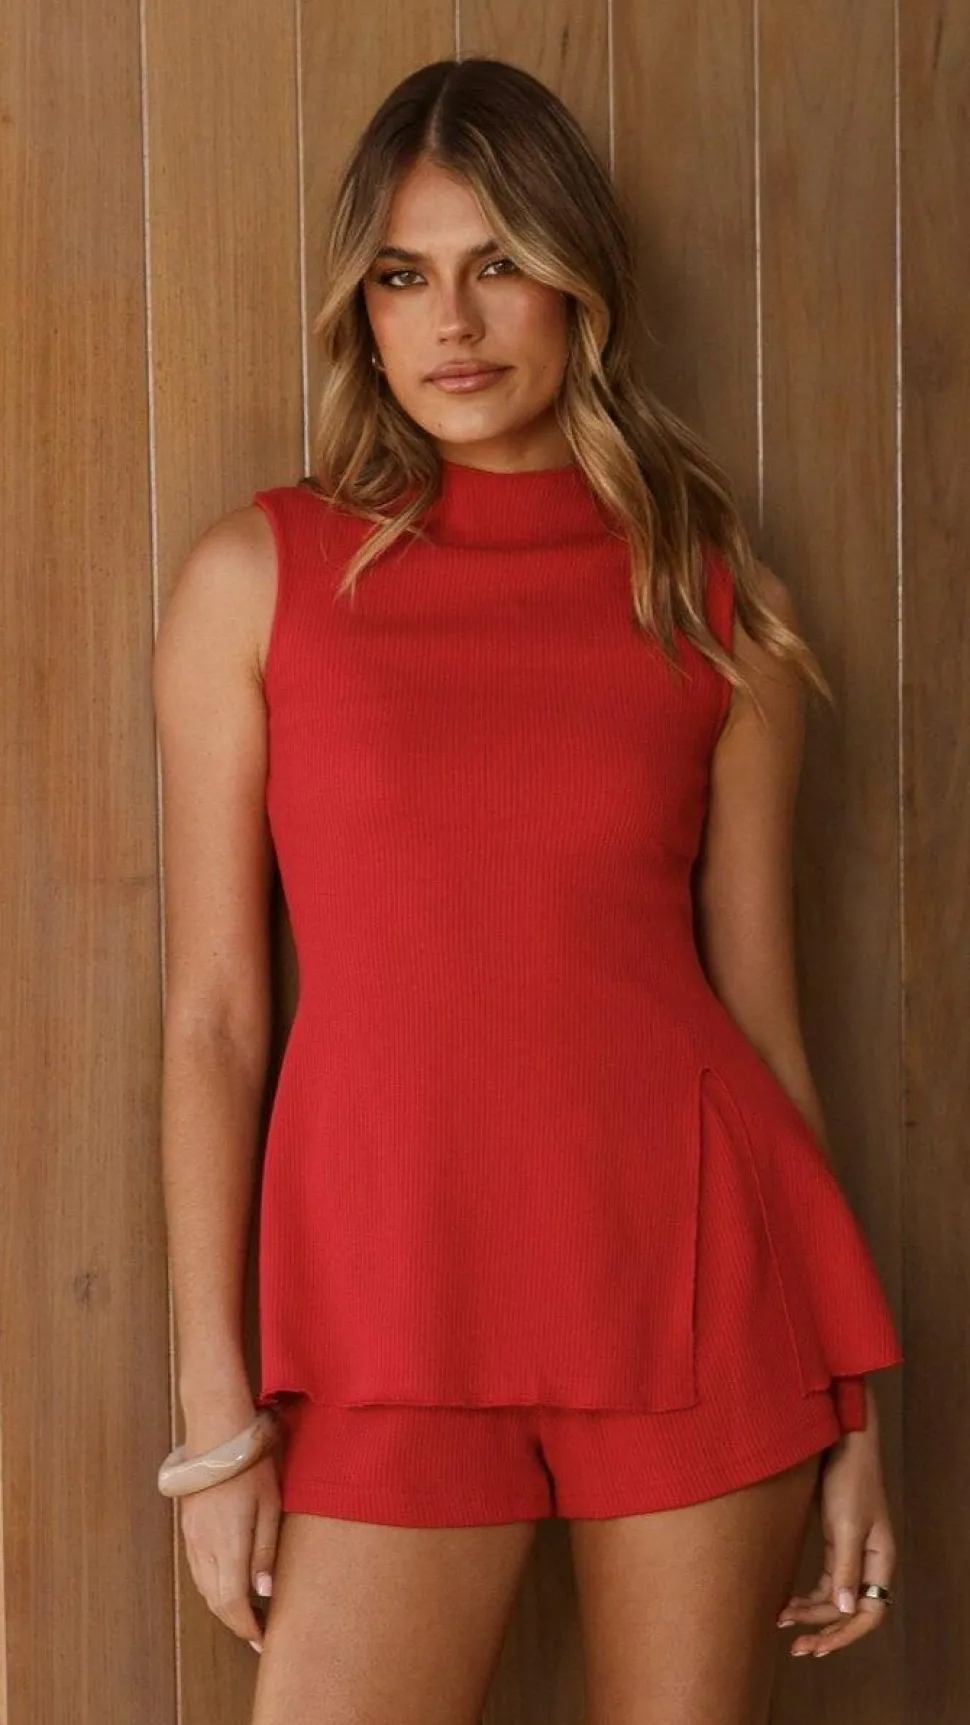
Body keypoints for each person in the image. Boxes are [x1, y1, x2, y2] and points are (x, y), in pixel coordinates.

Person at [151, 54, 903, 1725]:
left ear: (579, 285)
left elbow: (758, 1020)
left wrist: (853, 1405)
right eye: (401, 276)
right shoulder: (257, 578)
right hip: (384, 1312)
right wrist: (215, 1421)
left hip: (697, 1297)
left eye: (498, 263)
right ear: (359, 312)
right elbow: (211, 1021)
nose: (451, 321)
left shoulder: (709, 598)